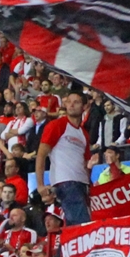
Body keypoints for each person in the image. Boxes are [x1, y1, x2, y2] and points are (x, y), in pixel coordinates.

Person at [37, 92, 93, 225]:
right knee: (82, 224)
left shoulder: (84, 133)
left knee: (78, 224)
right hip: (65, 181)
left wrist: (89, 184)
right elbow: (41, 155)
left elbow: (85, 163)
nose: (71, 105)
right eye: (69, 101)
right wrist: (40, 185)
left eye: (76, 102)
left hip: (82, 183)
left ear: (85, 106)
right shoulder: (57, 125)